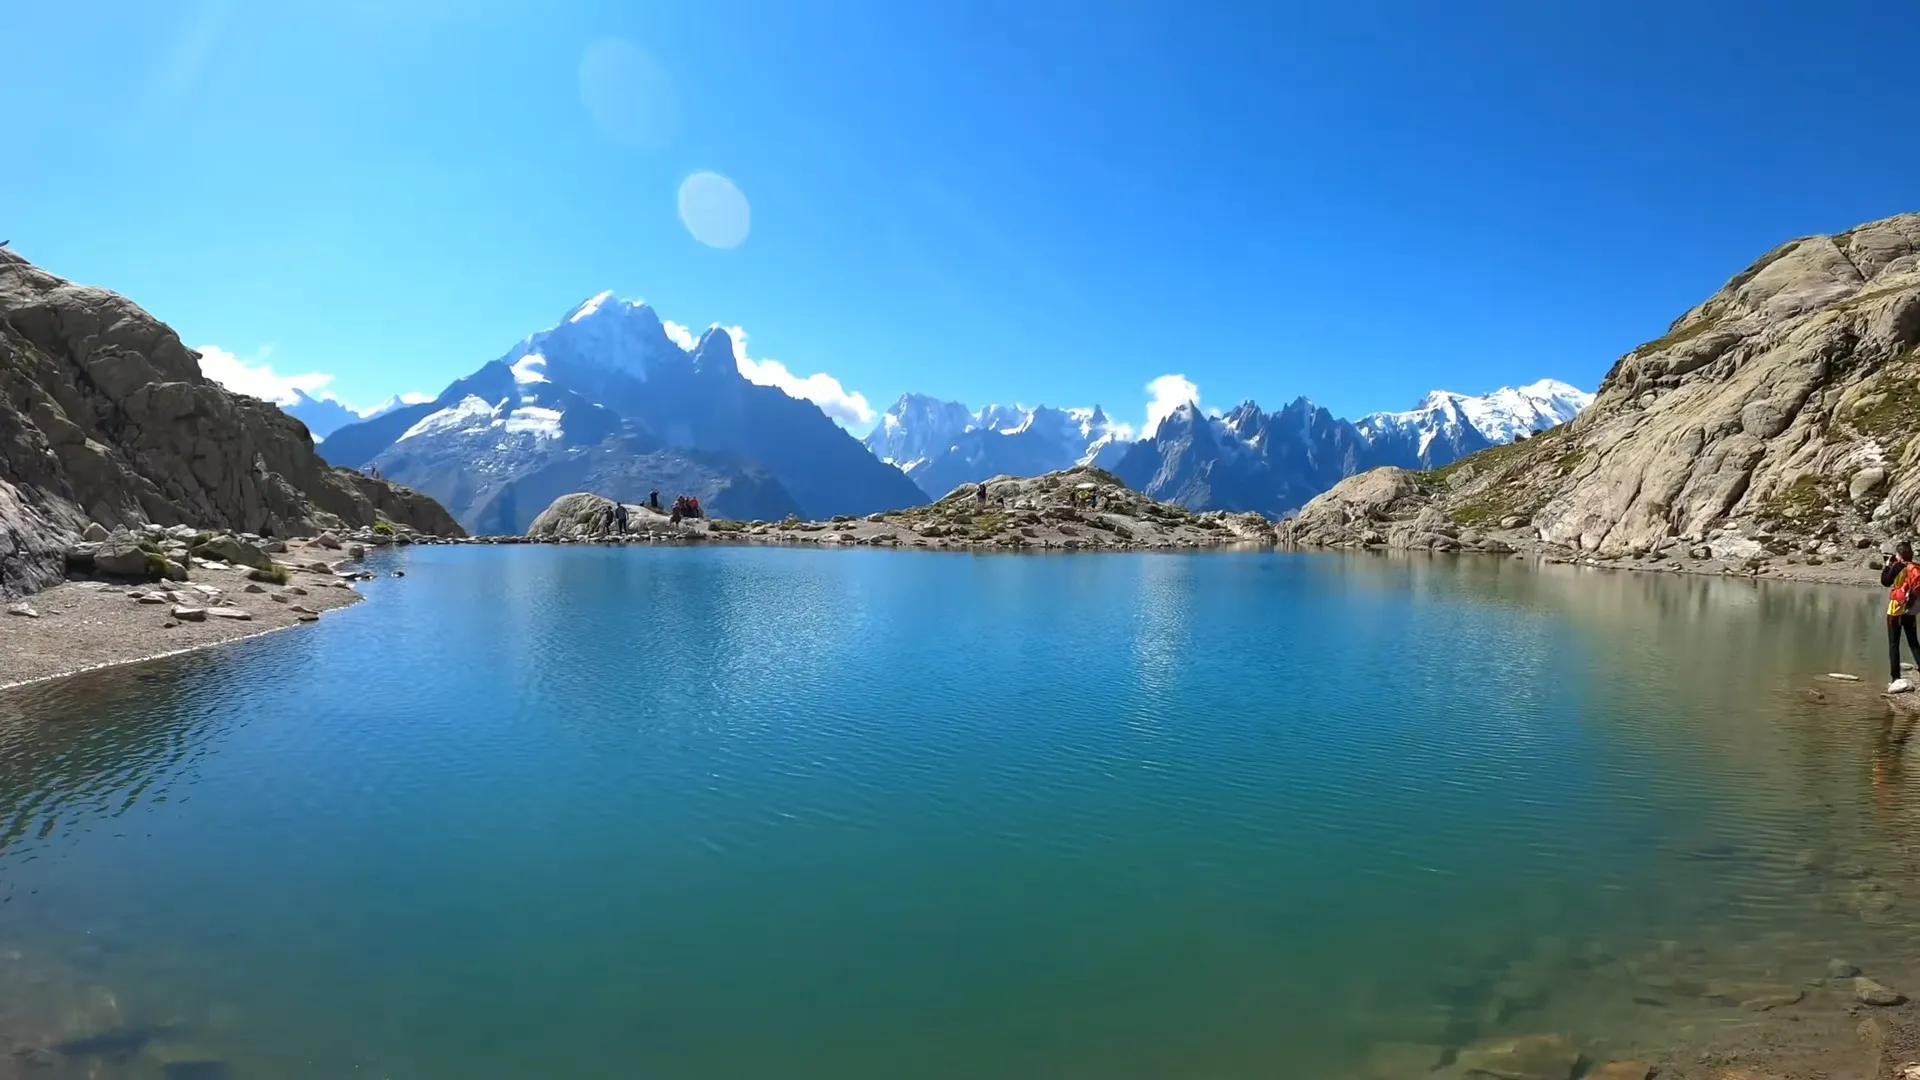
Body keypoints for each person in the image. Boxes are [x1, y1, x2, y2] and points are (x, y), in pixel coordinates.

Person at [1883, 540, 1920, 694]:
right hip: (1910, 610)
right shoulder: (1915, 567)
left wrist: (1887, 566)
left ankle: (1895, 678)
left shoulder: (1898, 566)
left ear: (1898, 555)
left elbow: (1885, 581)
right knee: (1913, 642)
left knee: (1894, 644)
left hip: (1896, 609)